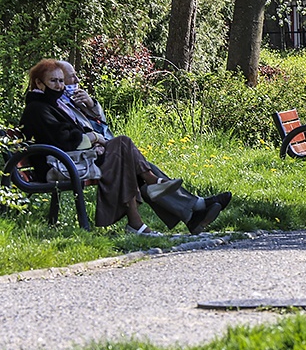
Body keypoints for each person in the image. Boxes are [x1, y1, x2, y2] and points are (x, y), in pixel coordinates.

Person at [21, 59, 225, 236]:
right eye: (54, 81)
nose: (60, 86)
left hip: (77, 158)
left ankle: (180, 214)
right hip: (61, 164)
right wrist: (94, 139)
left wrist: (94, 128)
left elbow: (88, 128)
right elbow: (63, 140)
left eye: (61, 81)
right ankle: (169, 195)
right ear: (39, 83)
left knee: (127, 154)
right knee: (124, 147)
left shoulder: (56, 103)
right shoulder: (38, 108)